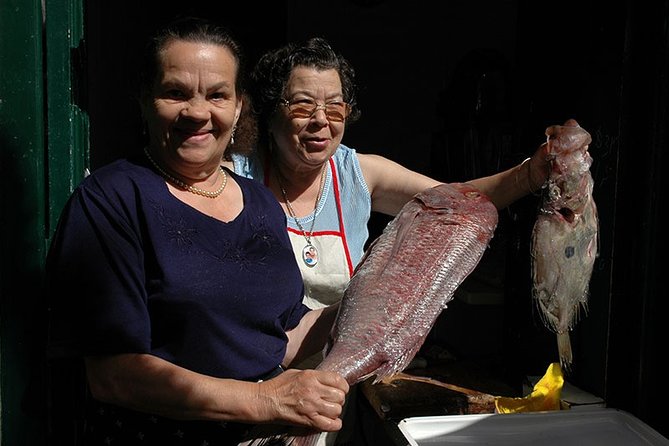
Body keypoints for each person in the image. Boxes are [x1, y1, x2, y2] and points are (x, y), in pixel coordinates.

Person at [45, 18, 349, 446]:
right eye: (176, 93)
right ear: (145, 100)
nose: (198, 112)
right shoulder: (111, 199)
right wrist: (263, 400)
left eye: (218, 95)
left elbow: (279, 335)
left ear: (239, 106)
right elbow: (113, 374)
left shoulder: (259, 202)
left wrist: (380, 304)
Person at [228, 37, 560, 316]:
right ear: (270, 113)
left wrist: (530, 174)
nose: (321, 120)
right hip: (259, 379)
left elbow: (458, 201)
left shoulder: (357, 174)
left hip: (337, 379)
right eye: (302, 105)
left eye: (334, 107)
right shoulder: (238, 175)